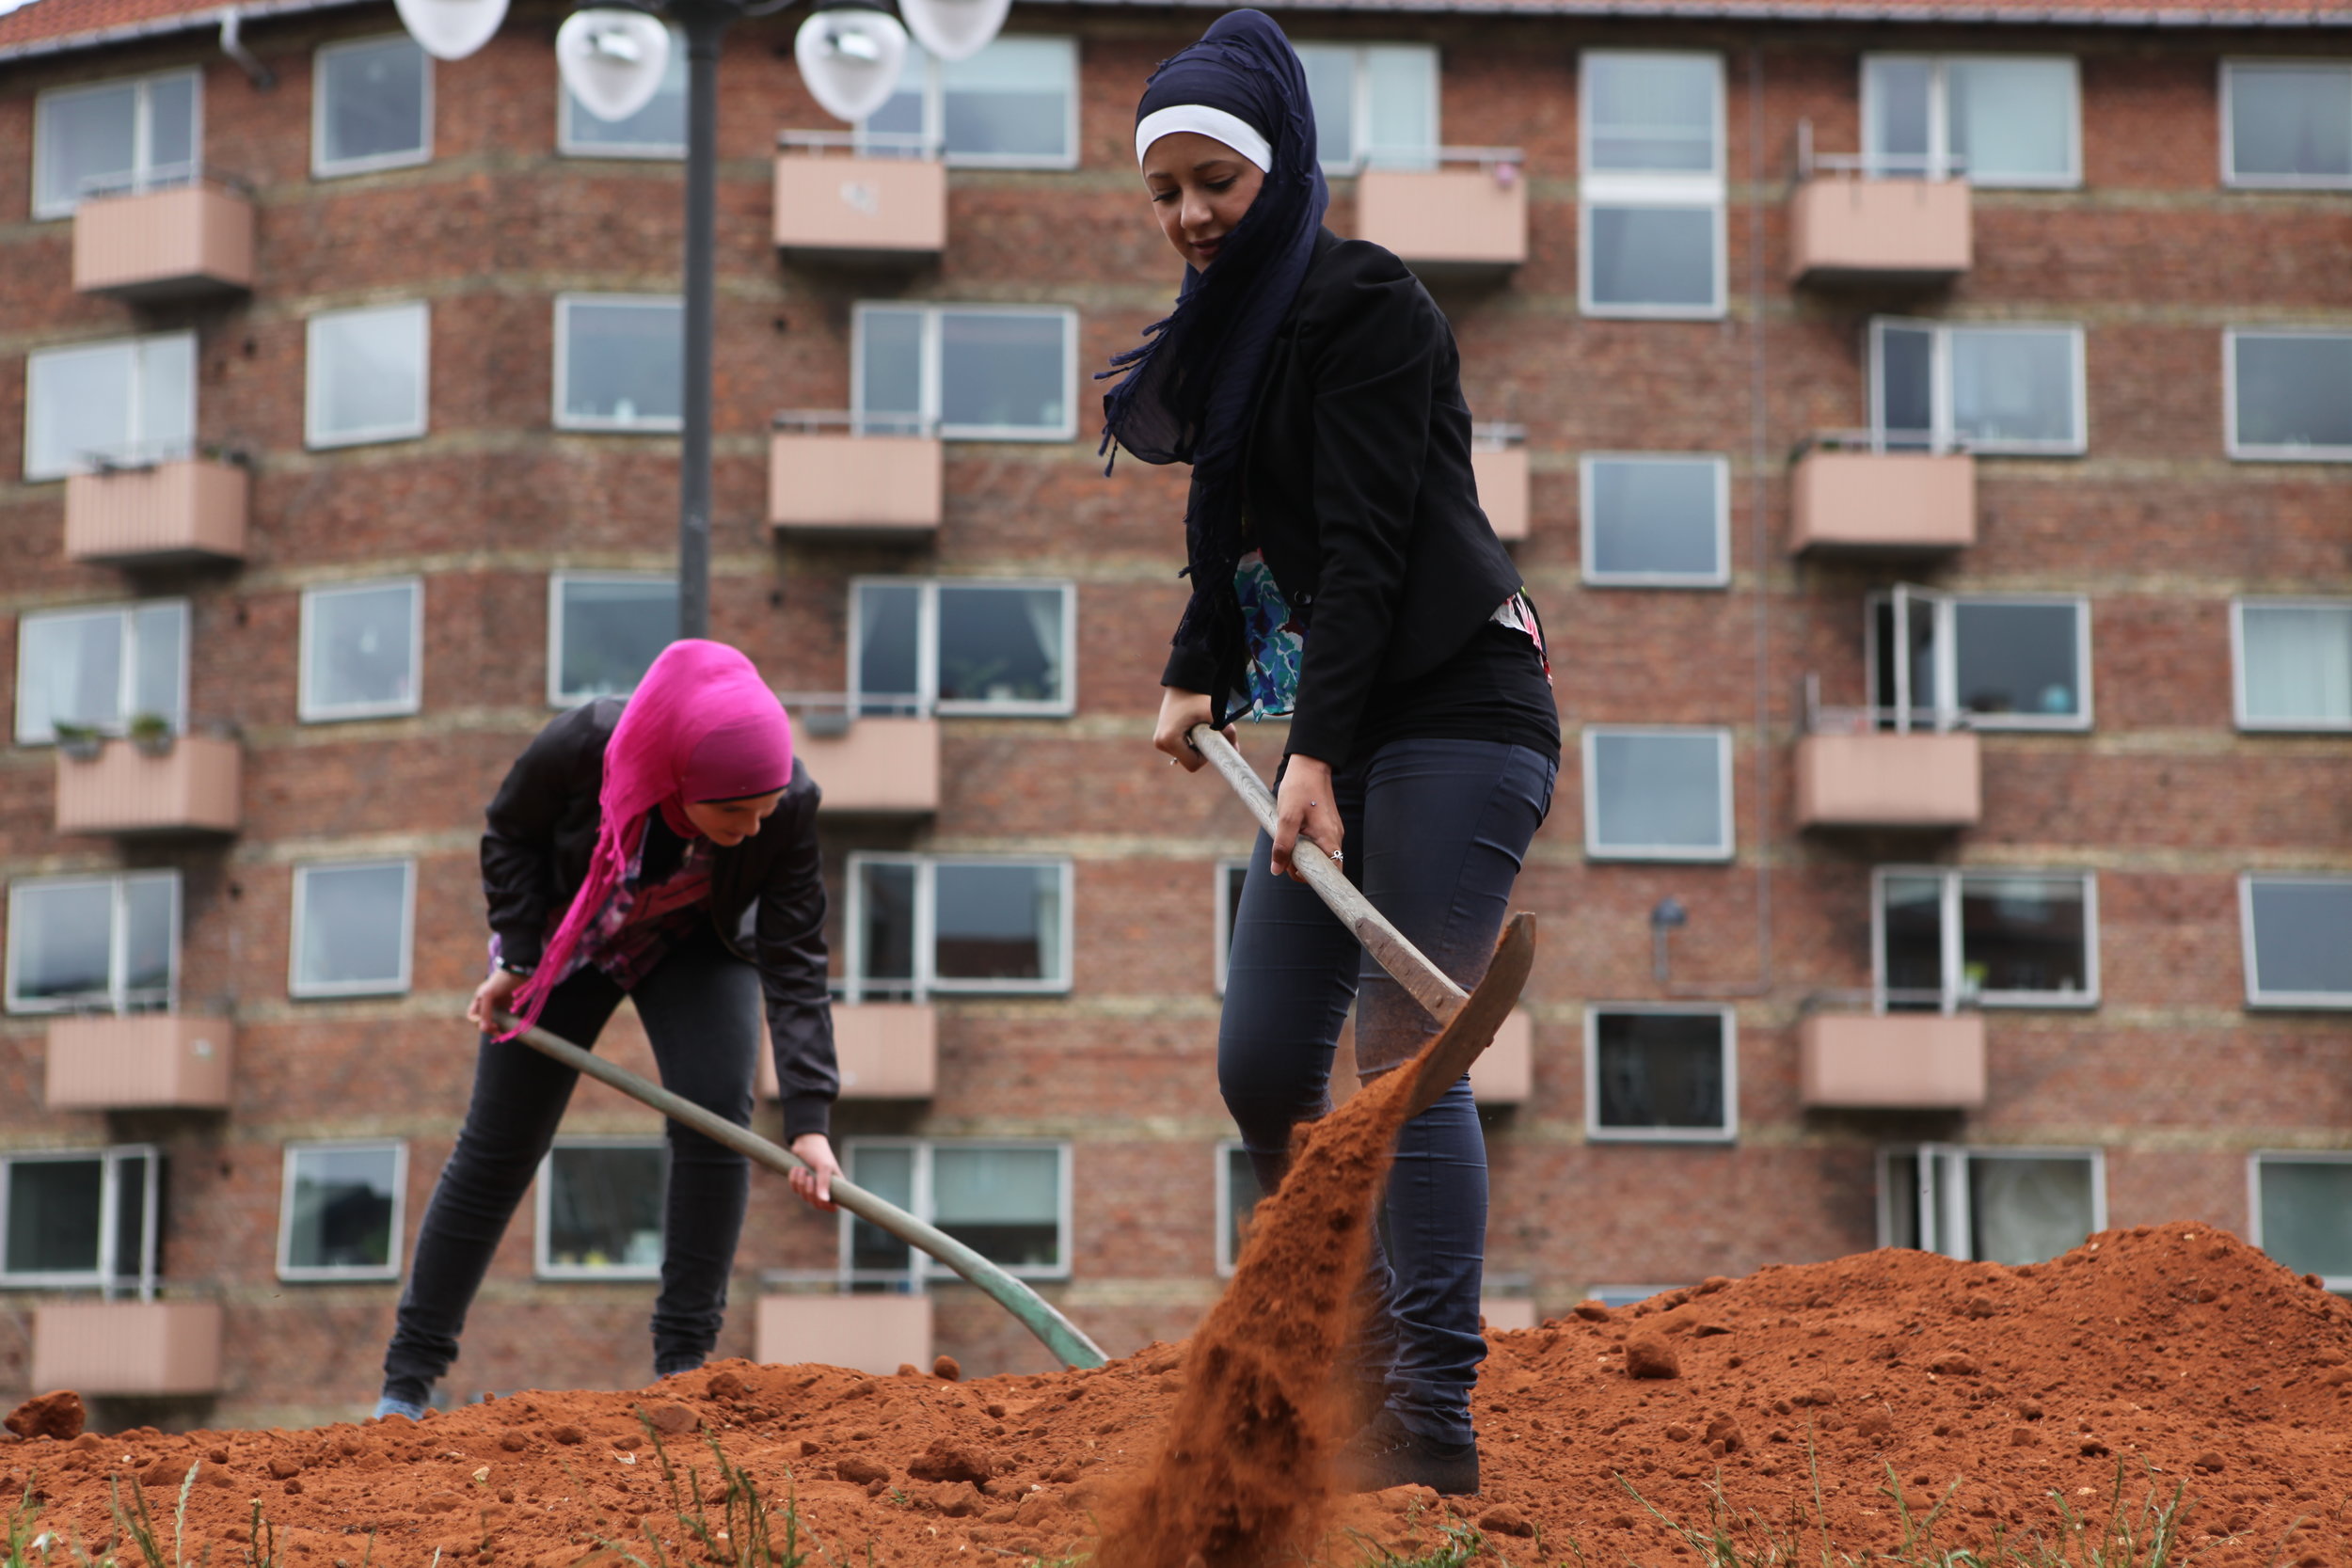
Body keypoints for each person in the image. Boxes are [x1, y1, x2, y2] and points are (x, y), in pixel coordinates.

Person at [1102, 10, 1561, 1496]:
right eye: (1165, 191)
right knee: (1259, 1062)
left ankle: (1428, 1417)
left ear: (1279, 169)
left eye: (1212, 186)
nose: (1188, 217)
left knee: (1396, 1053)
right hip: (1345, 729)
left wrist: (1311, 754)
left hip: (1455, 708)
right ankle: (1345, 1359)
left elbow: (1362, 554)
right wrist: (1195, 673)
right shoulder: (1226, 337)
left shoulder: (1366, 304)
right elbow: (1238, 538)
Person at [373, 639, 843, 1420]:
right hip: (571, 938)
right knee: (497, 1146)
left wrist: (810, 1120)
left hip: (693, 944)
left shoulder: (789, 804)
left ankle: (682, 1368)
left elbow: (796, 956)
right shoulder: (584, 746)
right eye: (734, 812)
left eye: (764, 811)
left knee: (714, 1117)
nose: (755, 828)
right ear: (684, 778)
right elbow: (509, 835)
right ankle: (406, 1383)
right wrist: (518, 958)